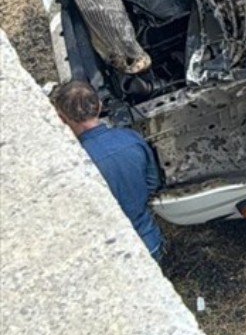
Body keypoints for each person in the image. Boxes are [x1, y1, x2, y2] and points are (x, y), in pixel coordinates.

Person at [48, 80, 163, 261]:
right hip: (150, 243)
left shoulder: (72, 162)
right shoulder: (132, 138)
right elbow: (153, 182)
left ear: (61, 119)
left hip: (109, 254)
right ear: (100, 106)